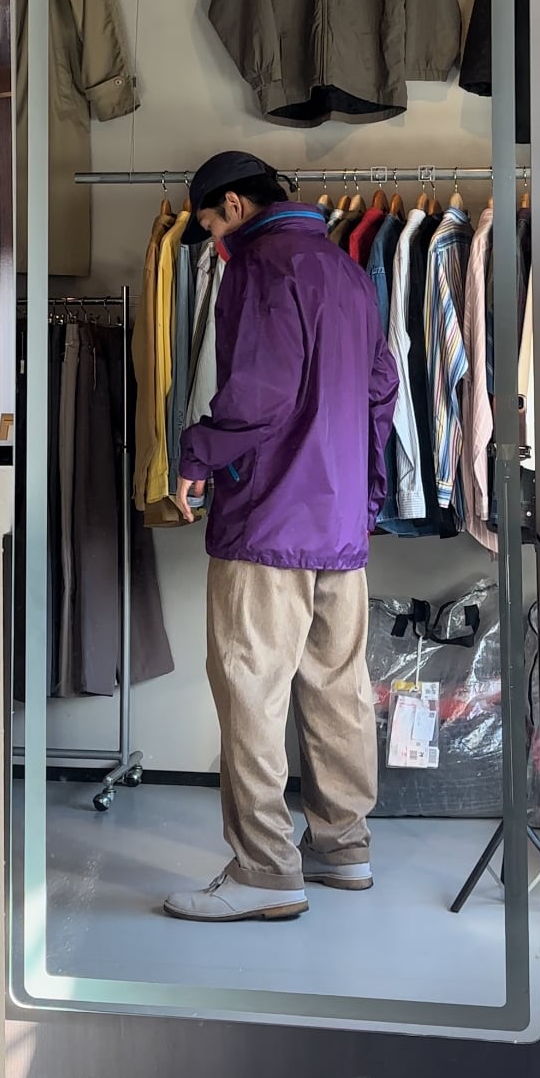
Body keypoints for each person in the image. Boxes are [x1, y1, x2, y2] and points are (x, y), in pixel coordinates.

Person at [164, 152, 399, 922]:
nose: (212, 239)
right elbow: (381, 389)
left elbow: (259, 394)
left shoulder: (261, 266)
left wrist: (195, 455)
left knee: (250, 690)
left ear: (233, 205)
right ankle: (342, 847)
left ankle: (264, 871)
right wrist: (364, 494)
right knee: (338, 687)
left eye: (208, 223)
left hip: (269, 519)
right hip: (339, 523)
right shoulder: (345, 270)